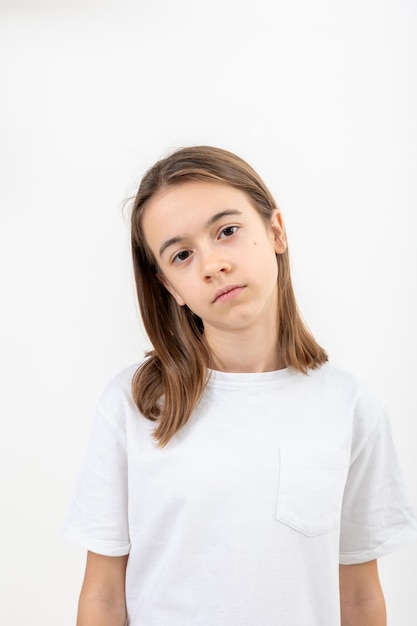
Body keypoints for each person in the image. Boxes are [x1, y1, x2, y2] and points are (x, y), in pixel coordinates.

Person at [62, 145, 417, 626]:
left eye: (227, 231)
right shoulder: (134, 405)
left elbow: (359, 598)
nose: (211, 264)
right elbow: (103, 596)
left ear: (275, 232)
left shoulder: (350, 407)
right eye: (182, 255)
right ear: (169, 286)